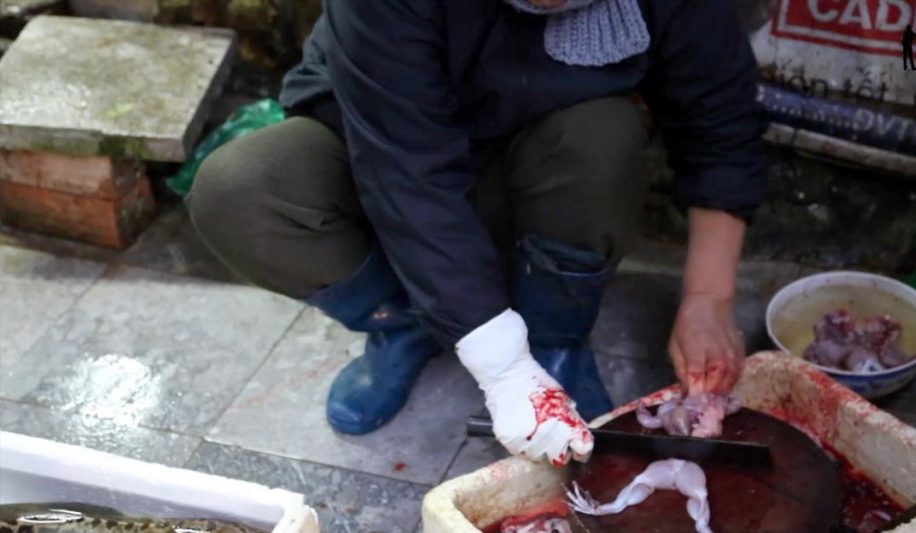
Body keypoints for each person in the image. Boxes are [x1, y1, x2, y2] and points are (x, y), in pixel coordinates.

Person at [187, 0, 766, 466]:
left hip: (539, 168)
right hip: (385, 159)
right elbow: (408, 174)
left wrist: (708, 298)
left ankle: (555, 337)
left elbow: (720, 120)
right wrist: (502, 367)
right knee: (241, 191)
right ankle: (408, 326)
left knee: (604, 135)